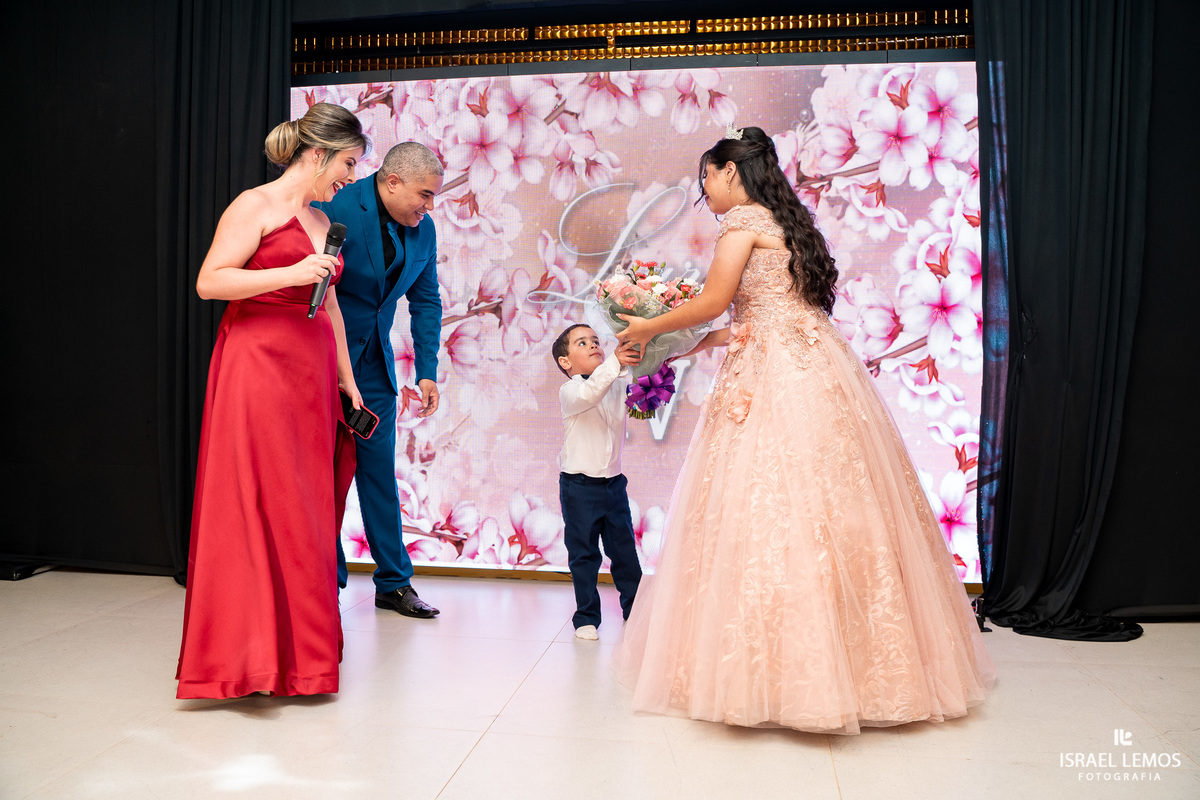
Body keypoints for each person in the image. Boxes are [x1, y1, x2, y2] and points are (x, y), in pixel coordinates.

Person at [611, 125, 995, 733]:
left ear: (732, 172)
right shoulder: (785, 221)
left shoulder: (741, 224)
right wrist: (681, 347)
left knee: (766, 507)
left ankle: (781, 676)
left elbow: (715, 302)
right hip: (816, 366)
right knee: (833, 504)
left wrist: (649, 328)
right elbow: (749, 316)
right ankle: (861, 664)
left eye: (706, 177)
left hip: (772, 376)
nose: (703, 190)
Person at [177, 102, 369, 698]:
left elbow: (331, 305)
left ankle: (301, 663)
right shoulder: (253, 206)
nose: (350, 177)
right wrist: (286, 276)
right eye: (346, 163)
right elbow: (211, 281)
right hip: (256, 368)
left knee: (302, 511)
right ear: (316, 156)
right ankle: (245, 659)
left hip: (310, 377)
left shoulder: (320, 222)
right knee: (253, 504)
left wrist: (349, 382)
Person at [314, 142, 444, 618]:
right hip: (321, 363)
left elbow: (426, 301)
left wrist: (427, 371)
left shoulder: (423, 232)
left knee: (379, 477)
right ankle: (324, 579)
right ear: (393, 183)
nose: (429, 207)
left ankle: (393, 583)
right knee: (322, 475)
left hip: (375, 370)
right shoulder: (335, 204)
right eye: (424, 195)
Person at [552, 325, 645, 640]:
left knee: (625, 554)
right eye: (582, 343)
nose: (593, 344)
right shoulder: (571, 390)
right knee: (584, 554)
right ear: (566, 362)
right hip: (579, 487)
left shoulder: (616, 384)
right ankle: (586, 617)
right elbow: (593, 392)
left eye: (595, 340)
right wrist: (615, 363)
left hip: (614, 485)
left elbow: (639, 375)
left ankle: (635, 613)